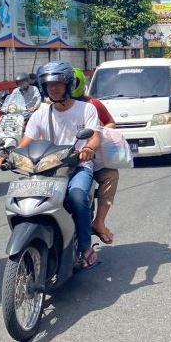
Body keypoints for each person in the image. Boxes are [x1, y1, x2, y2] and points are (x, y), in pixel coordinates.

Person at [0, 62, 102, 267]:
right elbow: (26, 142)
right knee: (25, 199)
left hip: (77, 166)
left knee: (77, 195)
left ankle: (85, 247)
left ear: (69, 85)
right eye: (49, 85)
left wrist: (88, 150)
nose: (54, 88)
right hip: (45, 167)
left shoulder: (86, 109)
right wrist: (8, 155)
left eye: (59, 84)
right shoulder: (40, 114)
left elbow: (95, 136)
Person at [72, 67, 118, 244]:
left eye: (67, 83)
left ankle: (98, 222)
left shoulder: (92, 105)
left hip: (87, 158)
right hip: (54, 160)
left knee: (111, 175)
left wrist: (98, 136)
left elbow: (110, 122)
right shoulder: (48, 107)